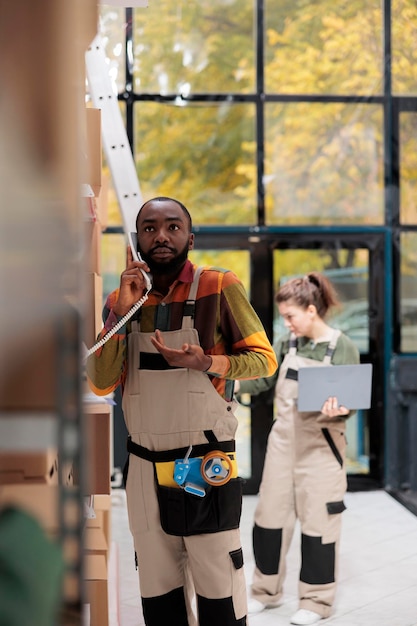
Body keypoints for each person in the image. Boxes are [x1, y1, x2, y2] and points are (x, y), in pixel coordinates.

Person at [86, 196, 277, 626]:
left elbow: (265, 360)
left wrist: (206, 362)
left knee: (218, 591)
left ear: (191, 237)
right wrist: (119, 313)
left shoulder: (218, 285)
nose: (162, 236)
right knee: (159, 593)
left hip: (202, 465)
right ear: (137, 241)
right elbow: (99, 381)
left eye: (173, 227)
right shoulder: (122, 300)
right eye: (150, 228)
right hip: (143, 469)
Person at [235, 272, 360, 626]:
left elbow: (351, 397)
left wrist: (343, 408)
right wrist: (226, 379)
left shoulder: (341, 345)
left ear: (310, 310)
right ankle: (265, 592)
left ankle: (317, 602)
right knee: (269, 521)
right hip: (282, 447)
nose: (286, 322)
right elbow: (262, 380)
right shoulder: (287, 343)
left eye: (290, 315)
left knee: (319, 526)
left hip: (322, 449)